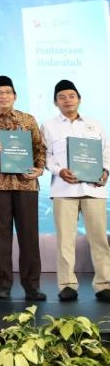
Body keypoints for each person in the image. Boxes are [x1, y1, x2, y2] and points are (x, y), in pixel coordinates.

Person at [0, 75, 46, 301]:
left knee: (29, 237)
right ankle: (2, 285)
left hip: (26, 184)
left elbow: (39, 148)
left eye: (7, 92)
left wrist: (39, 169)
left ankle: (32, 286)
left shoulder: (28, 120)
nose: (3, 96)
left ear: (15, 96)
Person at [41, 79, 110, 303]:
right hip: (63, 189)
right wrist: (59, 171)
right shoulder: (48, 126)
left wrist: (105, 171)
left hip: (93, 189)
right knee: (65, 241)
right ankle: (67, 285)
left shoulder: (95, 125)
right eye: (61, 97)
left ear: (79, 99)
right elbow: (46, 156)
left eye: (71, 96)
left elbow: (106, 152)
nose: (67, 100)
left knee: (99, 239)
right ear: (55, 102)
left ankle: (104, 284)